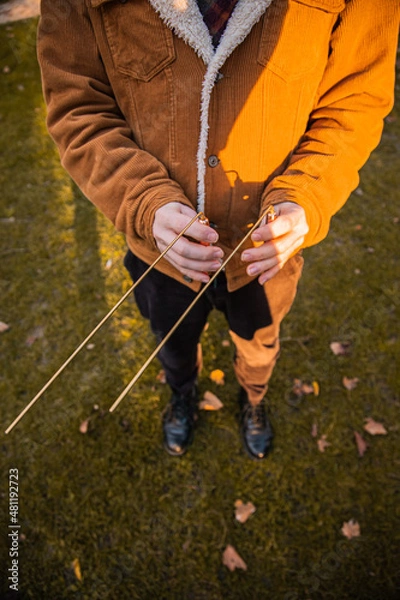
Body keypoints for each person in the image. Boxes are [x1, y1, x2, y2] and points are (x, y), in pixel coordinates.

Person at [37, 0, 399, 459]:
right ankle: (182, 394)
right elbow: (78, 107)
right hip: (159, 256)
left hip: (263, 255)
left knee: (259, 342)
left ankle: (253, 398)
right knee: (171, 341)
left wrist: (307, 194)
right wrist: (143, 201)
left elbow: (355, 101)